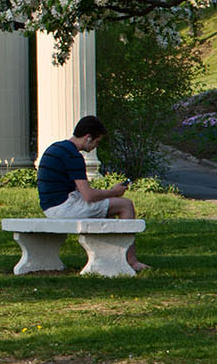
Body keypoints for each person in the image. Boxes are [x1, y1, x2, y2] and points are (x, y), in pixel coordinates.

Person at [36, 115, 148, 272]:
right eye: (97, 141)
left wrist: (109, 195)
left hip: (51, 207)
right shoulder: (73, 155)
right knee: (125, 205)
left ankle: (109, 258)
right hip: (64, 208)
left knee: (108, 208)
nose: (96, 146)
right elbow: (88, 195)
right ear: (88, 137)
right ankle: (131, 261)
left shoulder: (57, 148)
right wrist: (114, 192)